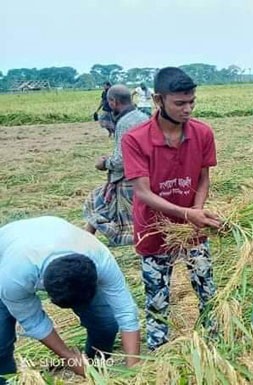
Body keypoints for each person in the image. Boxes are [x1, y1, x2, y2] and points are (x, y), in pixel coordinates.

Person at [122, 67, 221, 351]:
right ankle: (158, 349)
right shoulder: (136, 138)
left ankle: (212, 341)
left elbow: (203, 178)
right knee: (156, 295)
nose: (187, 108)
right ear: (157, 99)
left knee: (206, 287)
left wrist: (196, 213)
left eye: (192, 101)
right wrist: (188, 214)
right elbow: (142, 192)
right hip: (153, 230)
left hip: (192, 229)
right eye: (180, 103)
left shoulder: (202, 133)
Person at [0, 216, 140, 384]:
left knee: (106, 324)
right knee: (1, 343)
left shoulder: (99, 258)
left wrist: (134, 368)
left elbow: (126, 312)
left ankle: (96, 369)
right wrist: (70, 358)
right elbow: (33, 321)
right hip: (8, 253)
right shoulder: (13, 277)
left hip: (55, 238)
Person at [83, 84, 149, 246]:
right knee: (100, 203)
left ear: (112, 102)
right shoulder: (142, 117)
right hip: (144, 173)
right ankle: (85, 240)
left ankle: (85, 242)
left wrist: (104, 163)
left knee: (98, 203)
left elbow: (122, 160)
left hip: (129, 177)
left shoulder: (125, 123)